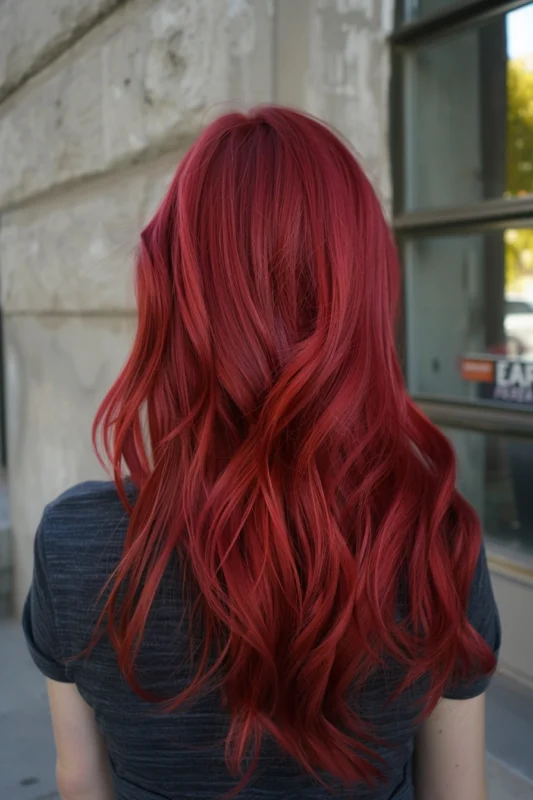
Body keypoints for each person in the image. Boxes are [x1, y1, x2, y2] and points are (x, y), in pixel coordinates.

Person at [23, 106, 500, 800]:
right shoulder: (432, 536)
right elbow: (458, 793)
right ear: (364, 297)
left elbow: (80, 780)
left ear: (174, 303)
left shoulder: (77, 543)